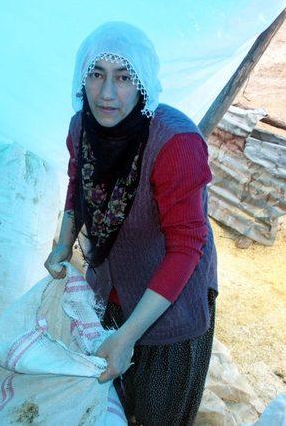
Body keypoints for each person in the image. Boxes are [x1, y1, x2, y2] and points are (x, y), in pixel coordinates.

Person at [44, 21, 218, 425]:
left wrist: (124, 339)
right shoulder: (81, 127)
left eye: (123, 77)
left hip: (169, 303)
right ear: (81, 77)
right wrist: (63, 244)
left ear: (142, 82)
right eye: (97, 74)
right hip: (111, 286)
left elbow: (186, 247)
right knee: (104, 407)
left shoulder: (176, 144)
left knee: (157, 413)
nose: (107, 93)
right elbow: (77, 186)